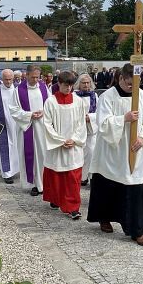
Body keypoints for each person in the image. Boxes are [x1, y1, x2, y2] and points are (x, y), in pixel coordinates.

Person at [87, 63, 143, 246]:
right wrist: (123, 119)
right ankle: (104, 218)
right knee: (107, 185)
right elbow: (102, 124)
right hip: (112, 149)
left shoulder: (141, 96)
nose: (132, 87)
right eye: (128, 84)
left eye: (135, 84)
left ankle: (137, 229)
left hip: (134, 148)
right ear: (120, 79)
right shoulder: (108, 96)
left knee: (135, 187)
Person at [42, 71, 87, 219]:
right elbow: (47, 124)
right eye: (65, 86)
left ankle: (73, 207)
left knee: (73, 178)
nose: (69, 89)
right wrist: (60, 140)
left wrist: (74, 139)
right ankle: (56, 199)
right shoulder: (50, 102)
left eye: (71, 86)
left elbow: (81, 123)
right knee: (56, 175)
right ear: (59, 84)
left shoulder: (78, 101)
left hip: (73, 145)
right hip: (58, 145)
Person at [9, 64, 49, 196]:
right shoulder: (18, 90)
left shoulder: (43, 88)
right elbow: (14, 110)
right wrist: (29, 115)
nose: (36, 80)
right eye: (33, 77)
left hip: (42, 127)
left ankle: (44, 183)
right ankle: (33, 184)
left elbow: (50, 104)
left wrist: (44, 112)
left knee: (43, 155)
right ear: (26, 75)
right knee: (30, 155)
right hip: (27, 127)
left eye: (38, 77)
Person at [74, 73, 98, 186]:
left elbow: (99, 112)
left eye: (88, 82)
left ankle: (91, 176)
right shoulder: (74, 96)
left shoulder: (94, 96)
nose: (86, 85)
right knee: (80, 154)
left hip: (90, 129)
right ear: (79, 83)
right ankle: (81, 177)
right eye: (83, 83)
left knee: (91, 153)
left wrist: (91, 117)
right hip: (78, 129)